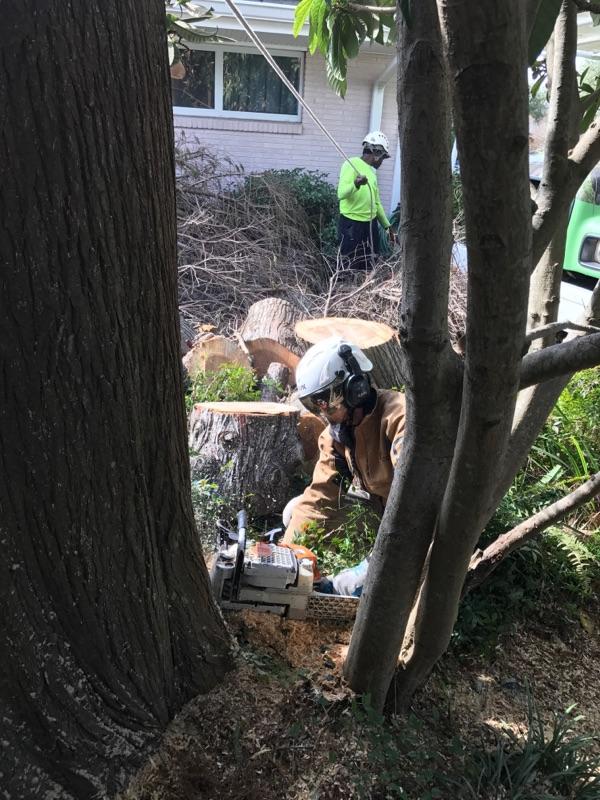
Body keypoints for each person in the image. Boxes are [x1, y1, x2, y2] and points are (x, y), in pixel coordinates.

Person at [282, 337, 406, 594]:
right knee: (293, 512)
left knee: (348, 587)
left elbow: (415, 494)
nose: (322, 411)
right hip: (378, 508)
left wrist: (383, 550)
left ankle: (342, 584)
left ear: (355, 389)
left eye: (325, 402)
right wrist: (286, 553)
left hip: (414, 517)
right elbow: (322, 495)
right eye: (315, 404)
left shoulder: (398, 417)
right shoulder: (337, 435)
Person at [337, 131, 395, 269]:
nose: (382, 162)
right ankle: (345, 289)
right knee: (349, 264)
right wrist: (356, 184)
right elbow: (341, 194)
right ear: (377, 154)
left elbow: (376, 203)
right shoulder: (350, 164)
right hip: (352, 224)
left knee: (369, 263)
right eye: (383, 158)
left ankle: (365, 289)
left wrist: (388, 227)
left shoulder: (372, 174)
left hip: (370, 224)